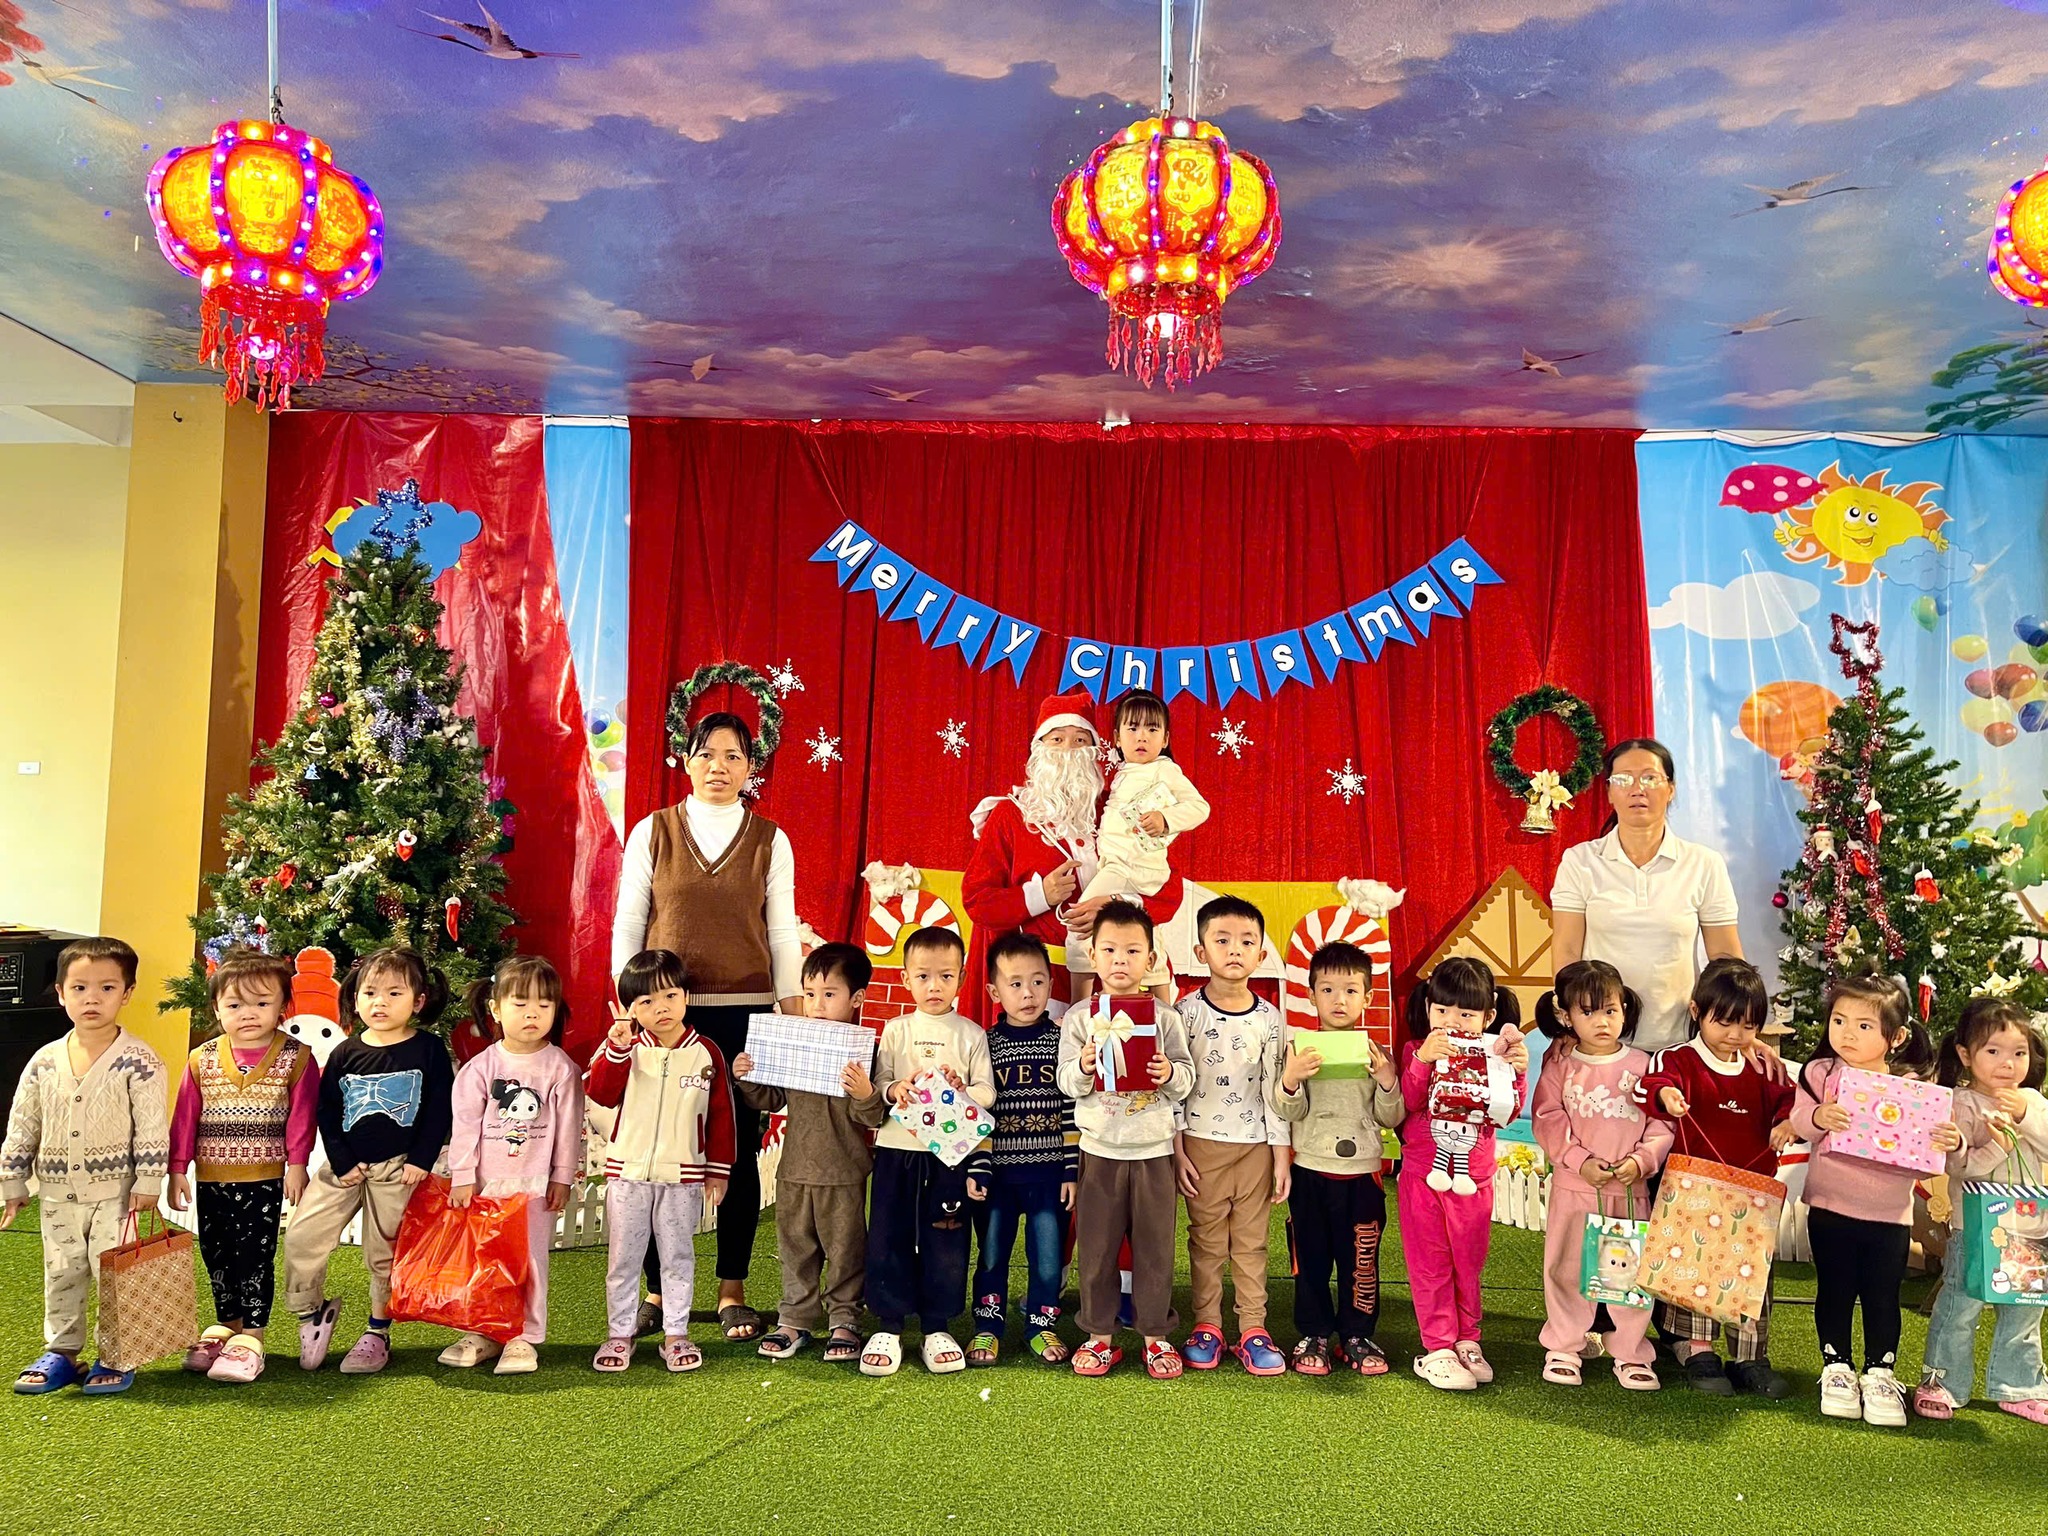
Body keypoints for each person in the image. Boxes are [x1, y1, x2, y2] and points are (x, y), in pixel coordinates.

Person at [611, 709, 803, 1342]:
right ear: (686, 761)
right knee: (656, 1153)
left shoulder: (771, 840)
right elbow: (629, 921)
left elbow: (781, 932)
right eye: (706, 754)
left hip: (747, 1016)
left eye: (732, 756)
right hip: (664, 1015)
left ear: (751, 768)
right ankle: (656, 1291)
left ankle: (731, 1290)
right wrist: (628, 1005)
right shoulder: (653, 831)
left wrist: (793, 1010)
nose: (718, 767)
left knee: (737, 1151)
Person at [1789, 970, 1961, 1426]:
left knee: (1883, 1295)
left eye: (1864, 1025)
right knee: (1835, 1289)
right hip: (1829, 1205)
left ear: (1896, 1036)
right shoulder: (1820, 1073)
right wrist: (1819, 1117)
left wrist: (1944, 1142)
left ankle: (1880, 1372)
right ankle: (1836, 1367)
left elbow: (1925, 1159)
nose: (1847, 1033)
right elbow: (1798, 1120)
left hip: (1890, 1214)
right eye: (1839, 1020)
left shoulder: (1912, 1089)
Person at [2, 937, 167, 1396]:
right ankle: (62, 1351)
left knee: (114, 1275)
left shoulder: (140, 1061)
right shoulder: (43, 1062)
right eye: (79, 988)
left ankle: (115, 1355)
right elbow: (23, 1123)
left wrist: (149, 1178)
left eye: (106, 988)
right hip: (57, 1194)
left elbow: (152, 1125)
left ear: (127, 993)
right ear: (60, 993)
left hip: (117, 1194)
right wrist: (13, 1179)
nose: (92, 998)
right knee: (61, 1273)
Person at [960, 690, 1184, 1024]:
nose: (1068, 750)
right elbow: (978, 900)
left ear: (1095, 749)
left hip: (1119, 984)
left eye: (1080, 740)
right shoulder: (1010, 816)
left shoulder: (1122, 808)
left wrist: (1116, 903)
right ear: (1038, 748)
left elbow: (1169, 889)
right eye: (1057, 739)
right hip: (1037, 990)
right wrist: (1041, 895)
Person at [287, 945, 453, 1377]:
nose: (380, 1002)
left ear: (418, 1001)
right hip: (344, 1169)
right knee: (302, 1236)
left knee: (384, 1253)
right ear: (355, 997)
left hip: (399, 1168)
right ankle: (311, 1314)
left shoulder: (429, 1049)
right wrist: (341, 1161)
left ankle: (377, 1331)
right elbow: (327, 1111)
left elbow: (440, 1109)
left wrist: (421, 1159)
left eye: (394, 993)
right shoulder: (345, 1052)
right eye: (370, 993)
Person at [1636, 958, 1798, 1398]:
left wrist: (1787, 1121)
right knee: (1694, 1269)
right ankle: (1699, 1351)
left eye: (1748, 1025)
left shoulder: (1763, 1067)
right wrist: (1666, 1094)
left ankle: (1750, 1358)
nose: (1735, 1034)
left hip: (1753, 1194)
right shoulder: (1679, 1058)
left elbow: (1791, 1101)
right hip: (1693, 1191)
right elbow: (1649, 1084)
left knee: (1752, 1275)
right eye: (1724, 1022)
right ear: (1696, 1011)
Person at [1057, 900, 1195, 1380]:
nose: (1121, 960)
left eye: (1133, 951)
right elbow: (1065, 1083)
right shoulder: (1080, 1018)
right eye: (1110, 950)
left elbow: (1186, 1080)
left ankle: (1155, 1336)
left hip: (1154, 1151)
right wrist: (1084, 1066)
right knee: (1097, 1249)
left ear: (1150, 959)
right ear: (1092, 956)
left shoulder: (1165, 1017)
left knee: (1155, 1249)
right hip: (1100, 1151)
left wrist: (1168, 1072)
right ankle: (1099, 1337)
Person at [168, 948, 317, 1385]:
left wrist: (297, 1164)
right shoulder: (201, 1058)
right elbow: (185, 1116)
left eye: (261, 1002)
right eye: (234, 1005)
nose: (248, 1013)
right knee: (216, 1252)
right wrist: (178, 1168)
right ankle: (227, 1324)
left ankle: (252, 1336)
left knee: (255, 1257)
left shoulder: (296, 1057)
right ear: (216, 1009)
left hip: (264, 1179)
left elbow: (302, 1117)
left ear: (282, 1005)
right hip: (211, 1177)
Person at [734, 942, 886, 1366]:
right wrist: (747, 1076)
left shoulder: (866, 1053)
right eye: (810, 993)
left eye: (829, 994)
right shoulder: (795, 1042)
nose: (817, 1004)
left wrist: (866, 1093)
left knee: (845, 1252)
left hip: (844, 1173)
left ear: (856, 998)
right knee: (795, 1249)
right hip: (794, 1170)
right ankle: (795, 1318)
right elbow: (771, 1098)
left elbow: (875, 1117)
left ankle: (844, 1320)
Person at [588, 949, 735, 1374]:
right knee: (623, 1261)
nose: (661, 1008)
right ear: (631, 1009)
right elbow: (601, 1093)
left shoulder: (707, 1053)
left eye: (670, 996)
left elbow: (722, 1116)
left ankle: (676, 1334)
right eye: (646, 1001)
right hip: (627, 1174)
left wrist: (718, 1170)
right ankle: (619, 1335)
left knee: (678, 1258)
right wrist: (616, 1050)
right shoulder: (625, 1048)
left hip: (683, 1177)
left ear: (686, 996)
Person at [1530, 960, 1672, 1391]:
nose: (1601, 1021)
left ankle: (1630, 1351)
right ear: (1567, 1016)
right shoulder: (1560, 1065)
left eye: (1610, 1010)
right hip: (1574, 1189)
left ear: (1625, 1009)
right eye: (1588, 1012)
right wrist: (1577, 1160)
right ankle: (1564, 1346)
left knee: (1628, 1273)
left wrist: (1642, 1162)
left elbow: (1662, 1123)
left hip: (1629, 1192)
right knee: (1566, 1268)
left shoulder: (1644, 1064)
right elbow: (1547, 1118)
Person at [1550, 739, 1743, 1055]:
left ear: (1671, 789)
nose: (1637, 789)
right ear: (1609, 792)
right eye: (1624, 779)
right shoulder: (1580, 861)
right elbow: (1567, 950)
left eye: (1650, 778)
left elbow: (1725, 955)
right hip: (1601, 1044)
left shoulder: (1704, 863)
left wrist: (1736, 1027)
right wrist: (1571, 1025)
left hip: (1681, 1043)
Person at [442, 955, 584, 1376]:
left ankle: (524, 1336)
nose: (532, 1013)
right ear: (496, 1009)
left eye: (544, 1004)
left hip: (535, 1187)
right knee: (483, 1258)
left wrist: (562, 1177)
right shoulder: (481, 1068)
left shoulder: (561, 1069)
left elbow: (569, 1129)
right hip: (486, 1186)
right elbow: (464, 1125)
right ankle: (483, 1330)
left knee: (530, 1261)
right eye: (520, 1003)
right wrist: (463, 1175)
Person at [862, 926, 995, 1377]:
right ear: (905, 979)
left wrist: (964, 1090)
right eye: (923, 976)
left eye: (945, 976)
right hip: (896, 1150)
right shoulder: (896, 1030)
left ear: (962, 979)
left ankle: (937, 1325)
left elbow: (988, 1092)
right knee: (889, 1233)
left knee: (947, 1236)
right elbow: (879, 1084)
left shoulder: (971, 1034)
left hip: (949, 1156)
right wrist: (894, 1088)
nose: (934, 986)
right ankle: (889, 1325)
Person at [1272, 940, 1406, 1378]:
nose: (1339, 1000)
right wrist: (1291, 1080)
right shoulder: (1299, 1050)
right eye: (1327, 990)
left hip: (1361, 1177)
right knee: (1309, 1260)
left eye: (1350, 991)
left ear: (1367, 997)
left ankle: (1357, 1335)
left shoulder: (1376, 1053)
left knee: (1360, 1262)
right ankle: (1312, 1334)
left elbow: (1391, 1117)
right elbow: (1288, 1112)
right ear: (1311, 996)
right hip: (1310, 1172)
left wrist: (1387, 1081)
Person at [1916, 997, 2048, 1422]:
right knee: (1961, 1303)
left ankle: (2021, 1385)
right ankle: (1942, 1382)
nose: (2007, 1063)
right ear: (1965, 1054)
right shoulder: (1960, 1103)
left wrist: (2025, 1115)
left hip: (2029, 1227)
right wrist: (1996, 1146)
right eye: (1993, 1051)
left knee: (2025, 1308)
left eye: (2019, 1052)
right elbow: (1955, 1168)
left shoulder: (2033, 1102)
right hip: (1973, 1226)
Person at [1399, 956, 1527, 1390]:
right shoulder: (1417, 1049)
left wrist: (1516, 1071)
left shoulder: (1496, 1052)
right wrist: (1422, 1060)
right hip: (1423, 1177)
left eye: (1466, 1014)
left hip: (1475, 1180)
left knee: (1468, 1264)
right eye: (1442, 1010)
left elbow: (1508, 1112)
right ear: (1428, 1007)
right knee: (1430, 1263)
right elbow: (1409, 1101)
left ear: (1488, 1017)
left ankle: (1468, 1339)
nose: (1452, 1021)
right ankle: (1437, 1347)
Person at [1175, 894, 1289, 1376]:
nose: (1235, 950)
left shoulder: (1270, 1019)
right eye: (1222, 940)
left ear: (1261, 954)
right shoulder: (1184, 1013)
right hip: (1200, 1146)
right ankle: (1207, 1325)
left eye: (1246, 941)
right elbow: (1173, 1089)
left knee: (1251, 1242)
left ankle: (1253, 1329)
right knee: (1206, 1242)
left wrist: (1281, 1154)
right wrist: (1177, 1149)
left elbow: (1277, 1089)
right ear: (1200, 952)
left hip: (1256, 1148)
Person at [968, 931, 1078, 1367]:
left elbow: (1072, 1111)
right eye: (1015, 984)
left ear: (1050, 984)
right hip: (997, 1175)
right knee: (992, 1255)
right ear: (994, 991)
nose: (1028, 993)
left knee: (1048, 1260)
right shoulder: (985, 1044)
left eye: (1037, 981)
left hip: (1050, 1175)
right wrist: (978, 1168)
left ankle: (1041, 1324)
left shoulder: (1063, 1042)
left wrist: (1071, 1171)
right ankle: (987, 1326)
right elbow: (977, 1113)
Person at [1070, 689, 1209, 1004]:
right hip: (1121, 866)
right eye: (1132, 728)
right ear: (1117, 738)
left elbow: (1200, 808)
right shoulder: (1122, 774)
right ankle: (1164, 1005)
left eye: (1152, 729)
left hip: (1130, 867)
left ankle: (1078, 1004)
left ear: (1165, 738)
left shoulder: (1163, 769)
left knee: (1080, 924)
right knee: (1147, 934)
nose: (1142, 737)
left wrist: (1165, 818)